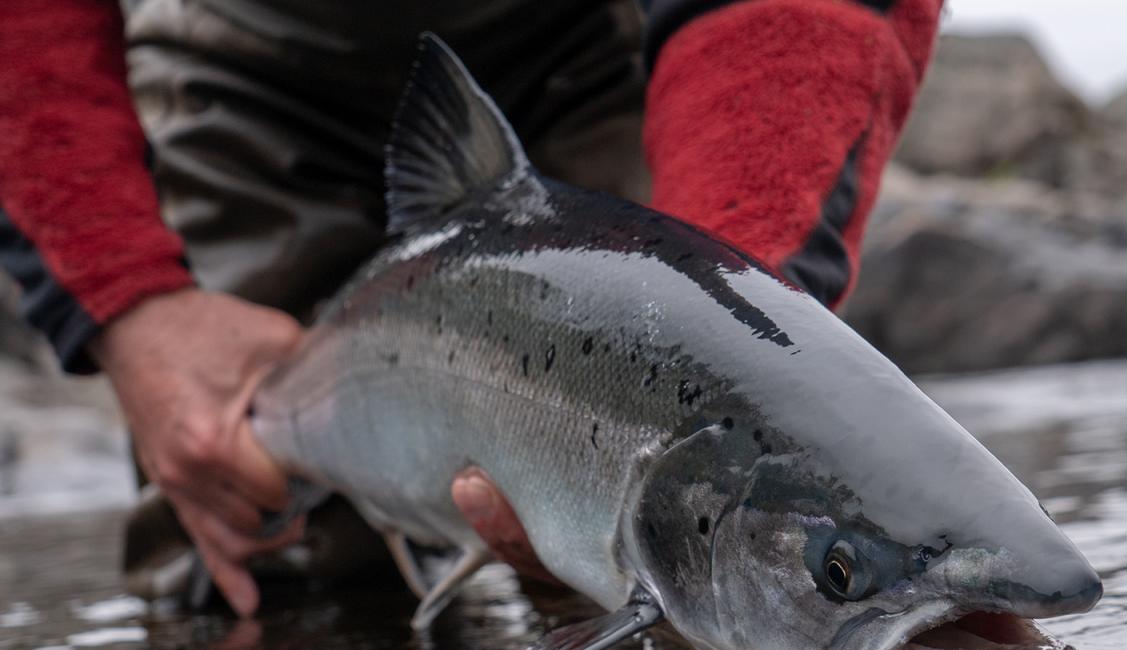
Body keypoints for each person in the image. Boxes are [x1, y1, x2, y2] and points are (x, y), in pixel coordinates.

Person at [0, 0, 939, 615]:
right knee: (251, 567)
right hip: (235, 46)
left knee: (651, 603)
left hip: (595, 37)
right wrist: (127, 302)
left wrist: (736, 304)